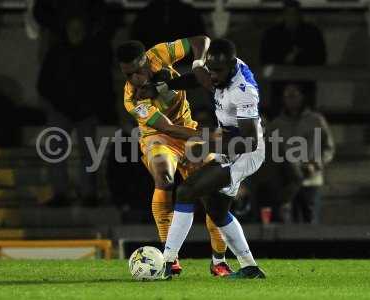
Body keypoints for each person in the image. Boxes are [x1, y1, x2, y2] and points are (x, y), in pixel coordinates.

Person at [139, 38, 266, 279]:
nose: (213, 76)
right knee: (216, 211)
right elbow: (199, 78)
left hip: (244, 153)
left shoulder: (244, 92)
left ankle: (166, 261)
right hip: (227, 144)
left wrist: (209, 141)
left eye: (218, 71)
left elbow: (250, 141)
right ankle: (250, 267)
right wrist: (162, 88)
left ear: (230, 66)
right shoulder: (221, 69)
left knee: (187, 191)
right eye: (211, 70)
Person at [116, 36, 232, 276]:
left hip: (187, 130)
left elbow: (201, 40)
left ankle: (219, 260)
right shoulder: (132, 98)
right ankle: (170, 258)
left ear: (145, 60)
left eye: (137, 72)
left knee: (214, 193)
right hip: (158, 138)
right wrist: (206, 136)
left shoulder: (159, 54)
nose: (134, 79)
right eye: (128, 75)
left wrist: (198, 63)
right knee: (164, 177)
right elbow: (167, 128)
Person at [33, 0, 121, 206]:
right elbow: (44, 82)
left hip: (84, 111)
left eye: (79, 29)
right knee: (57, 152)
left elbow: (102, 84)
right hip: (62, 109)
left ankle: (88, 193)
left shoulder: (94, 52)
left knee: (88, 154)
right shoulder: (58, 52)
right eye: (72, 29)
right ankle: (60, 192)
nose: (76, 33)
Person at [268, 83, 335, 223]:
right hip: (287, 184)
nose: (290, 99)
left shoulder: (316, 121)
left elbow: (328, 148)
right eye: (287, 96)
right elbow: (271, 154)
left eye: (294, 95)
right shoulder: (276, 124)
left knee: (309, 222)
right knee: (287, 223)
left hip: (310, 180)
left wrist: (316, 164)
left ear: (302, 97)